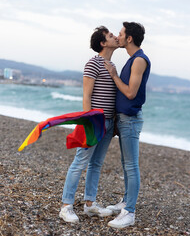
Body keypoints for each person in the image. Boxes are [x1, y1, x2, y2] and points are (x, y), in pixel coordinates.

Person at [59, 26, 119, 223]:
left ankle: (90, 205)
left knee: (96, 164)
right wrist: (88, 122)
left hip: (109, 123)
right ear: (103, 43)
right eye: (111, 36)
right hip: (95, 122)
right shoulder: (93, 63)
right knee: (80, 162)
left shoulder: (112, 66)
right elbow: (86, 95)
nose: (115, 37)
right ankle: (66, 206)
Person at [104, 22, 151, 229]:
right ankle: (126, 201)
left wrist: (113, 75)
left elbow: (131, 93)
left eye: (121, 34)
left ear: (129, 38)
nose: (119, 37)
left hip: (131, 120)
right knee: (126, 165)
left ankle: (129, 212)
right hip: (122, 119)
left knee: (131, 166)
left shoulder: (139, 60)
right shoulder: (132, 59)